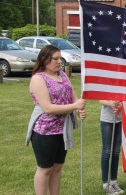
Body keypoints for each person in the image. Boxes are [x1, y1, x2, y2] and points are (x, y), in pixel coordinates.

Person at [25, 44, 86, 195]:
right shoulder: (38, 79)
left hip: (62, 130)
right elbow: (48, 108)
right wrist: (74, 106)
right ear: (45, 59)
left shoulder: (62, 74)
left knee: (57, 167)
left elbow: (72, 94)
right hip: (44, 131)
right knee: (45, 169)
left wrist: (78, 109)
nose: (60, 61)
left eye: (60, 58)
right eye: (56, 58)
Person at [99, 100, 124, 195]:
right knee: (107, 151)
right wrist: (111, 104)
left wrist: (120, 106)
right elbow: (101, 100)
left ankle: (114, 181)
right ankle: (105, 183)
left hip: (120, 119)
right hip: (107, 120)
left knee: (116, 151)